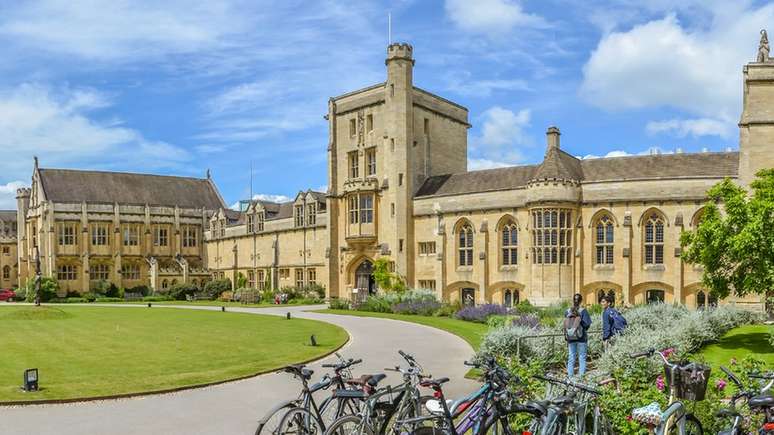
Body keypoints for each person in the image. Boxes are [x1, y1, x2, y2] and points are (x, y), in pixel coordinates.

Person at [564, 293, 592, 377]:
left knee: (571, 357)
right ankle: (581, 377)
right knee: (582, 358)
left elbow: (566, 324)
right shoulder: (583, 311)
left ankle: (570, 377)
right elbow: (587, 325)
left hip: (570, 337)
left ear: (573, 300)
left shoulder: (567, 311)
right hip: (582, 338)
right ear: (581, 301)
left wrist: (571, 332)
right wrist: (580, 330)